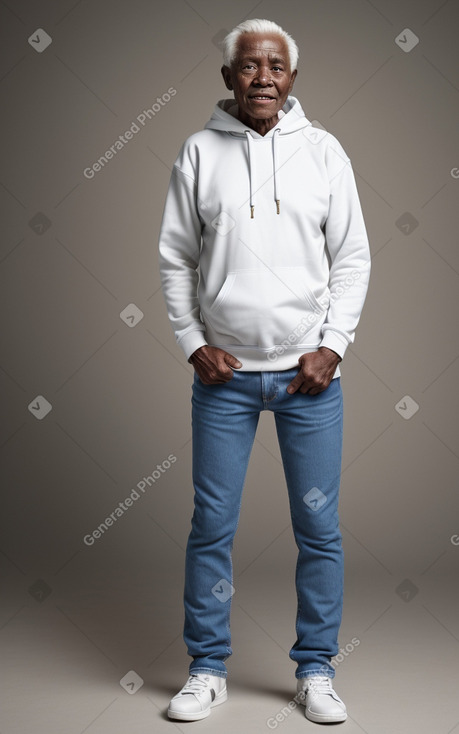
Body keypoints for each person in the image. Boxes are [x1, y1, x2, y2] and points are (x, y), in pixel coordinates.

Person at [158, 18, 370, 724]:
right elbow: (173, 259)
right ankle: (206, 667)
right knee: (211, 526)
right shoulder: (196, 152)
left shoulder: (324, 153)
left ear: (292, 78)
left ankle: (314, 669)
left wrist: (332, 345)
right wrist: (193, 343)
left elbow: (352, 259)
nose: (262, 77)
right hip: (223, 379)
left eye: (275, 66)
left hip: (309, 380)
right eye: (248, 66)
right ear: (227, 78)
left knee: (319, 531)